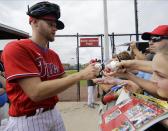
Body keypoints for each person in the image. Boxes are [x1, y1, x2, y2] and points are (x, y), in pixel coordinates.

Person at [2, 1, 99, 131]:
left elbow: (64, 79)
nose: (55, 28)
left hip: (54, 113)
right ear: (34, 22)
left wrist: (93, 75)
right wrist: (80, 74)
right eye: (50, 24)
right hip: (28, 119)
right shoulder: (16, 48)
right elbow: (35, 92)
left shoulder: (53, 55)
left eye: (55, 25)